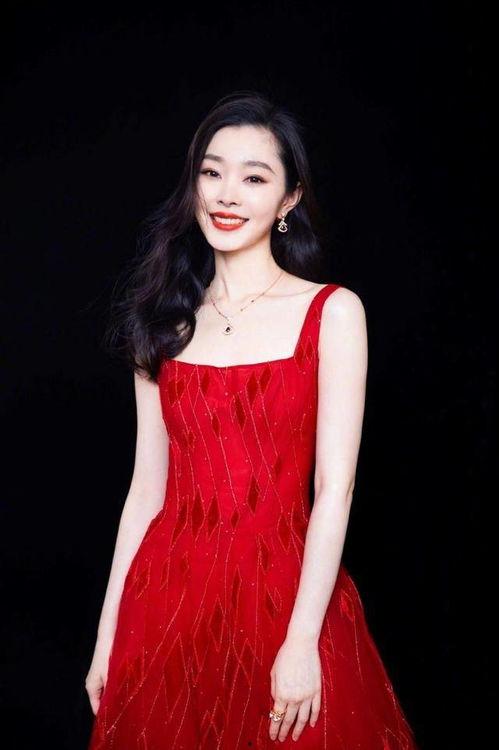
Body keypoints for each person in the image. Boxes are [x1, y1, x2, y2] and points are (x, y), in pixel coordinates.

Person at [86, 90, 419, 749]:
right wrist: (107, 636)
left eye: (254, 178)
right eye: (212, 172)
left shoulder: (332, 312)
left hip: (285, 596)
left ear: (289, 200)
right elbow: (145, 492)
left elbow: (334, 489)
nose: (226, 195)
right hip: (168, 601)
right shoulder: (164, 322)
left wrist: (302, 640)